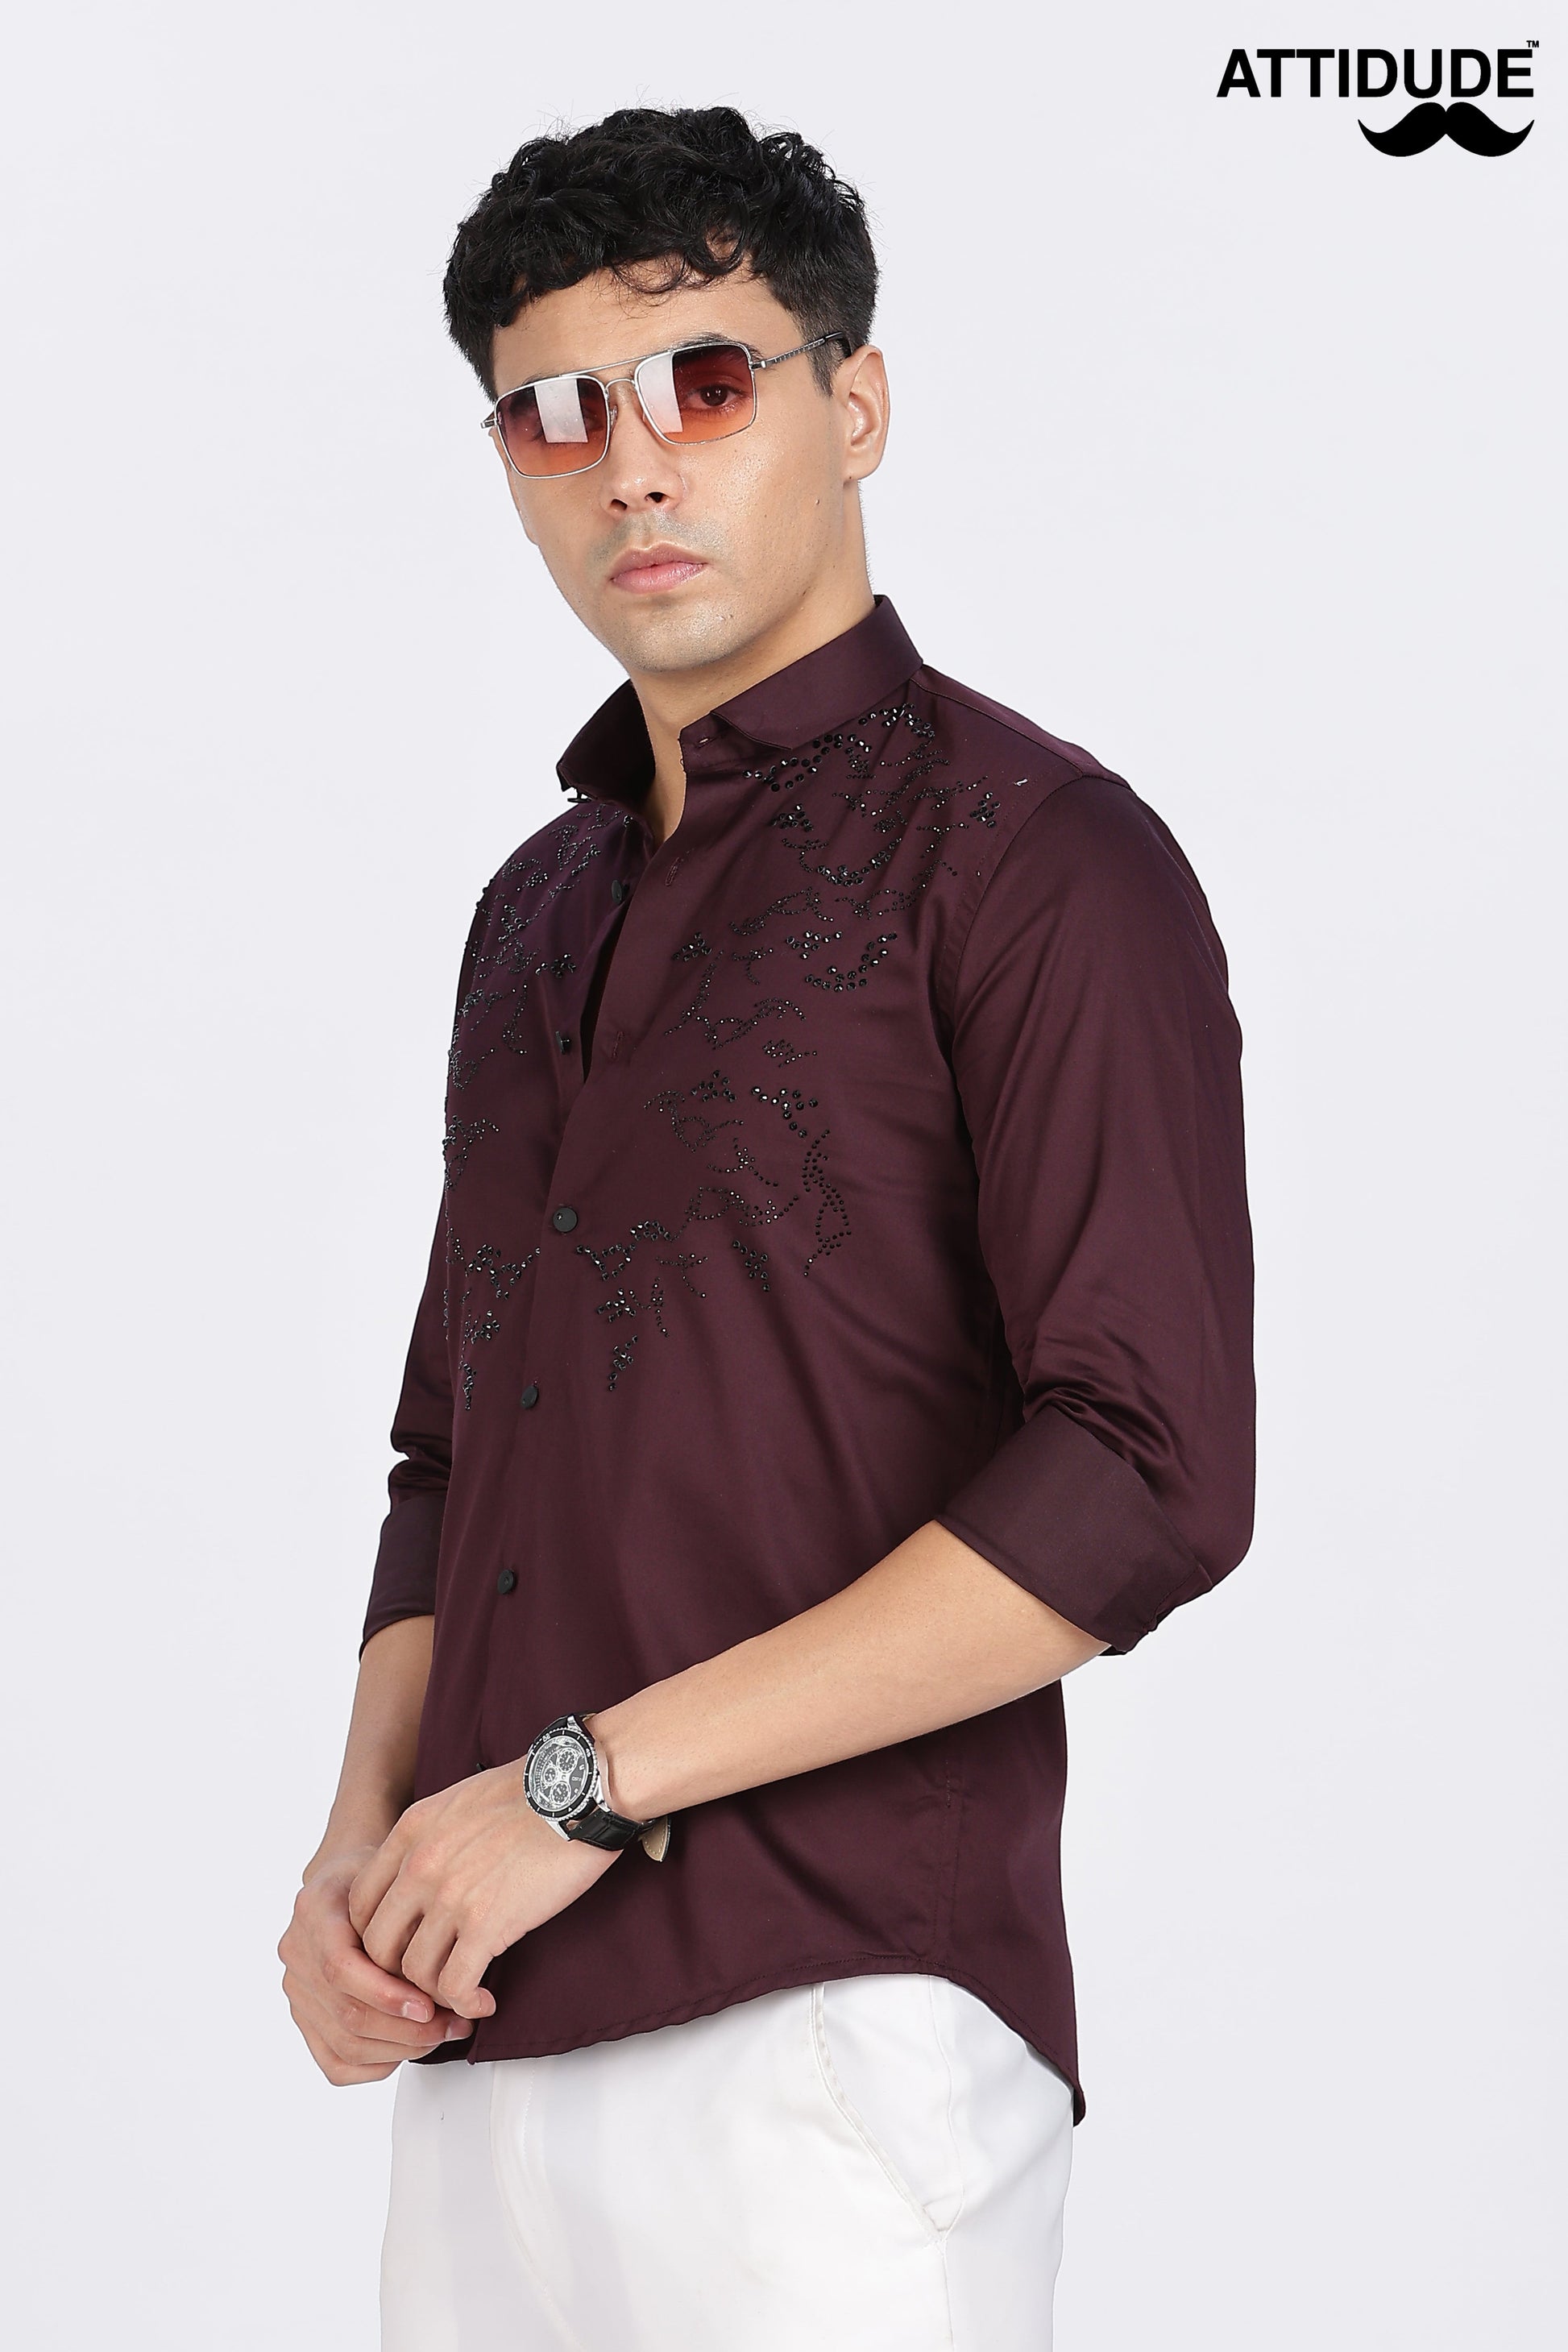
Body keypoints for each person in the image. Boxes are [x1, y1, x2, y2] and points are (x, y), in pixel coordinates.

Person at [278, 104, 1255, 2352]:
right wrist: (363, 1848)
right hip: (484, 2048)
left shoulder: (1035, 858)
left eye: (701, 384)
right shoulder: (535, 911)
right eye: (553, 414)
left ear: (856, 403)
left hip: (833, 2033)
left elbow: (1144, 1473)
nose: (628, 468)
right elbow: (454, 1454)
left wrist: (576, 1789)